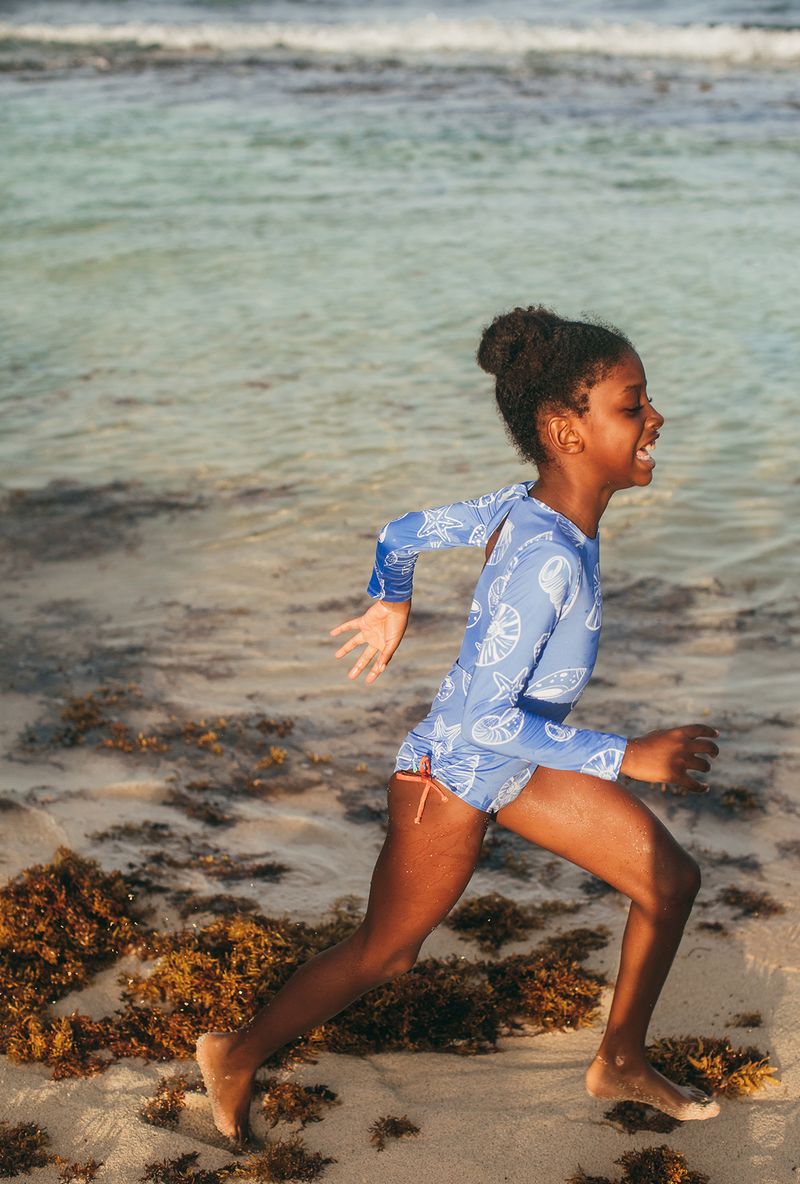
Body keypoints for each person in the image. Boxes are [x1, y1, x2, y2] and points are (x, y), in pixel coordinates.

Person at [196, 304, 721, 1145]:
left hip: (516, 763)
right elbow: (481, 722)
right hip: (453, 776)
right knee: (386, 953)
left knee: (669, 882)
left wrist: (391, 598)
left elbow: (402, 532)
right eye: (633, 406)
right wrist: (628, 756)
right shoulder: (548, 554)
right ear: (566, 429)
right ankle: (235, 1053)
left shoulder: (528, 508)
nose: (655, 418)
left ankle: (619, 1059)